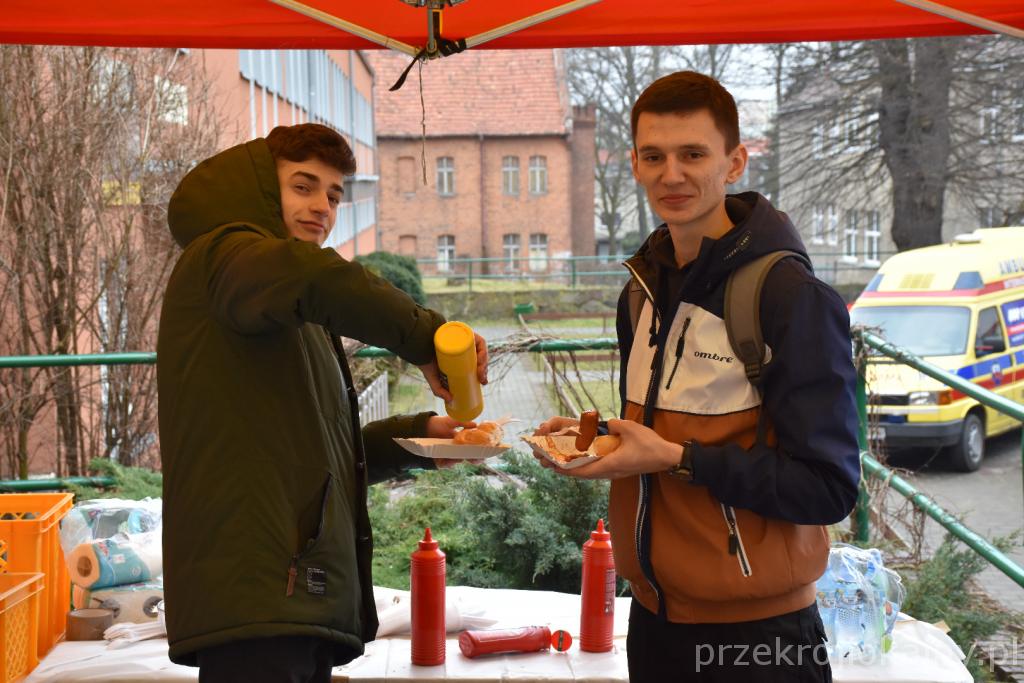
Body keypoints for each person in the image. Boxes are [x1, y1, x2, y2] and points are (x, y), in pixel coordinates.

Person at [535, 72, 860, 681]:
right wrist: (596, 439)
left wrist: (678, 459)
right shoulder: (641, 291)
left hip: (760, 638)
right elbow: (663, 436)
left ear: (734, 162)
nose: (672, 175)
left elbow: (828, 488)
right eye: (654, 156)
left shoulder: (789, 296)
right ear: (634, 163)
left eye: (693, 154)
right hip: (654, 621)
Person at [157, 123, 487, 682]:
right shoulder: (229, 258)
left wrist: (417, 438)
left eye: (334, 196)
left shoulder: (282, 297)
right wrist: (425, 336)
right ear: (263, 191)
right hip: (257, 602)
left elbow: (315, 450)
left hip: (288, 597)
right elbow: (320, 279)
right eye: (302, 186)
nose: (322, 207)